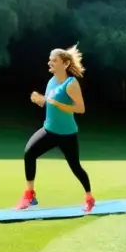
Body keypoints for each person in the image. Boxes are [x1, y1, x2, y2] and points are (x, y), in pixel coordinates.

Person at [15, 46, 94, 212]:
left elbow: (81, 109)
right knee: (29, 153)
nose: (49, 62)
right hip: (49, 131)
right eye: (50, 59)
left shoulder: (71, 84)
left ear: (65, 64)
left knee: (75, 167)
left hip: (67, 134)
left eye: (54, 60)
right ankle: (30, 195)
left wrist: (57, 104)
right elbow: (49, 103)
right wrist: (40, 100)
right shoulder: (51, 82)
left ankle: (89, 197)